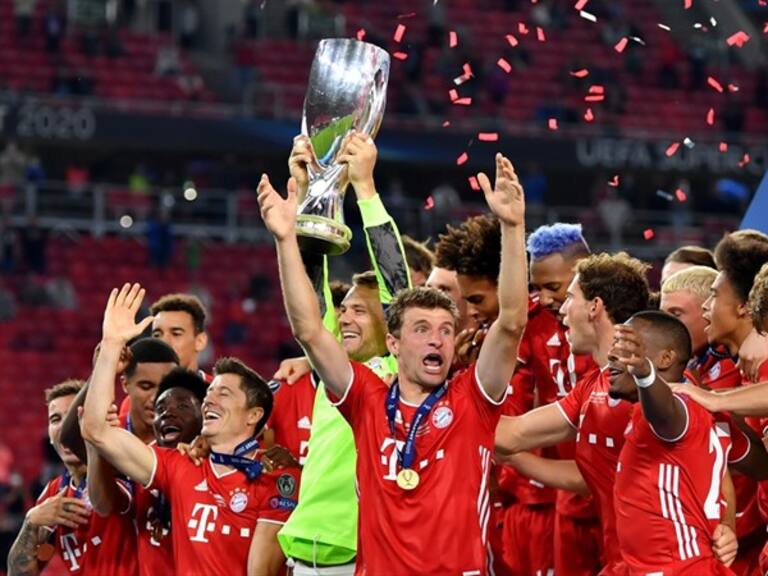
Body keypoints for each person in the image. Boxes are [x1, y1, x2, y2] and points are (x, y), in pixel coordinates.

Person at [258, 152, 528, 574]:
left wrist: (513, 229)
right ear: (395, 343)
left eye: (444, 329)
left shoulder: (472, 398)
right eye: (422, 328)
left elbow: (511, 323)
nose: (437, 338)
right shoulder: (367, 395)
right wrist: (285, 239)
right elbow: (309, 329)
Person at [80, 283, 298, 576]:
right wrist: (110, 346)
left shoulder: (276, 474)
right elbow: (95, 431)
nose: (210, 400)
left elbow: (263, 571)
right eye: (210, 394)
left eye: (224, 394)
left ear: (254, 414)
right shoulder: (180, 465)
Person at [274, 133, 411, 575]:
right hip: (303, 553)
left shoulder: (396, 370)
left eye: (360, 311)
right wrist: (316, 194)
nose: (346, 317)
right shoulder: (333, 371)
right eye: (344, 308)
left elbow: (398, 284)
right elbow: (313, 294)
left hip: (363, 554)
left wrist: (366, 190)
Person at [495, 251, 650, 574]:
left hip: (658, 564)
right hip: (620, 560)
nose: (562, 310)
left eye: (570, 299)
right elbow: (513, 435)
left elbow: (710, 464)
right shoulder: (592, 386)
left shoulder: (651, 385)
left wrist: (725, 527)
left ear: (594, 307)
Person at [610, 311, 768, 574]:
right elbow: (762, 466)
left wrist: (645, 374)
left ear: (664, 359)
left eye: (627, 349)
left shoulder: (679, 407)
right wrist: (723, 524)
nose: (613, 356)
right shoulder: (709, 412)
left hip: (677, 566)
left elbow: (664, 413)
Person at [524, 222, 602, 576]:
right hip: (566, 491)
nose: (543, 298)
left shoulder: (620, 328)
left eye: (554, 287)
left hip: (613, 491)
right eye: (535, 287)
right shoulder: (531, 322)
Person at [7, 379, 138, 576]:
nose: (63, 427)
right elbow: (21, 573)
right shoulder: (53, 493)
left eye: (71, 417)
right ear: (50, 436)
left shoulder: (124, 471)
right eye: (55, 419)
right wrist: (30, 522)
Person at [149, 293, 211, 380]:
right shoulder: (138, 393)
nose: (164, 342)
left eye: (176, 334)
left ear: (200, 341)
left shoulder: (219, 392)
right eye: (157, 335)